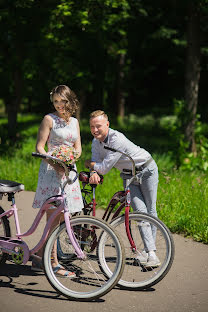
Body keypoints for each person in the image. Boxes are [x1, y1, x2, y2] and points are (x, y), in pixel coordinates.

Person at [85, 110, 160, 268]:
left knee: (150, 211)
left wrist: (91, 165)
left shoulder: (116, 139)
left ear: (107, 124)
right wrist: (93, 171)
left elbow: (103, 168)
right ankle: (151, 253)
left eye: (98, 126)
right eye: (92, 126)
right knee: (140, 212)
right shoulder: (95, 142)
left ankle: (150, 253)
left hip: (146, 169)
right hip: (128, 176)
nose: (95, 130)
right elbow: (96, 162)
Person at [32, 84, 83, 277]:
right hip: (51, 170)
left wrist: (71, 160)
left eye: (63, 101)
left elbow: (78, 147)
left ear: (70, 101)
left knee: (63, 217)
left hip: (68, 171)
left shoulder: (75, 122)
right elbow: (40, 147)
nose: (59, 105)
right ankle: (52, 263)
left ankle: (38, 256)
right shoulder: (48, 119)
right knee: (52, 219)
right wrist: (54, 163)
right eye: (55, 102)